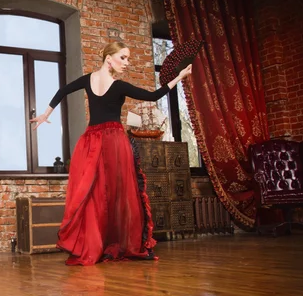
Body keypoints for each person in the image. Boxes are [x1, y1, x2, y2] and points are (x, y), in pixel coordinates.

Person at [30, 41, 192, 266]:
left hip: (91, 139)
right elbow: (154, 95)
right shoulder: (119, 86)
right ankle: (109, 242)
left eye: (128, 59)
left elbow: (62, 91)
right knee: (116, 193)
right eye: (123, 58)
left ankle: (99, 243)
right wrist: (179, 77)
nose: (127, 63)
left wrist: (45, 114)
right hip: (113, 140)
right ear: (109, 58)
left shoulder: (90, 80)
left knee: (96, 193)